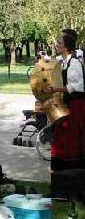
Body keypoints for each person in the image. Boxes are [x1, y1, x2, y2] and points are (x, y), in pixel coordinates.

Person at [49, 32, 85, 171]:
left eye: (59, 43)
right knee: (62, 135)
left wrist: (56, 89)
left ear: (66, 47)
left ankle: (73, 170)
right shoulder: (63, 62)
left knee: (71, 137)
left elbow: (77, 86)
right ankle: (63, 170)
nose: (57, 45)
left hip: (76, 104)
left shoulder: (74, 62)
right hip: (67, 103)